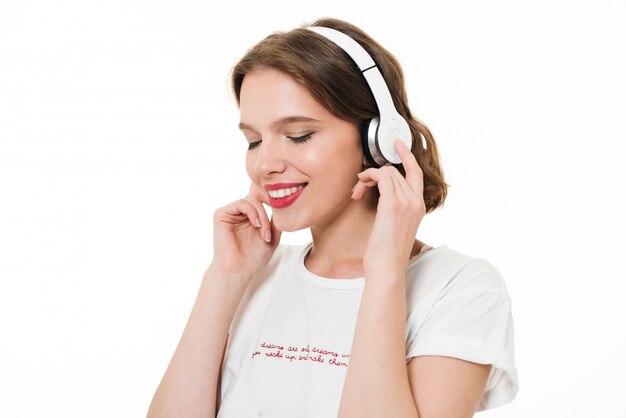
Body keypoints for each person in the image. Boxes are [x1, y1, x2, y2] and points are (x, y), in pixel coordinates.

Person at [147, 17, 519, 418]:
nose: (265, 164)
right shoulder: (253, 277)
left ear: (377, 141)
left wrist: (385, 273)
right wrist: (224, 278)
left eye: (299, 135)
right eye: (254, 141)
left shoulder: (459, 289)